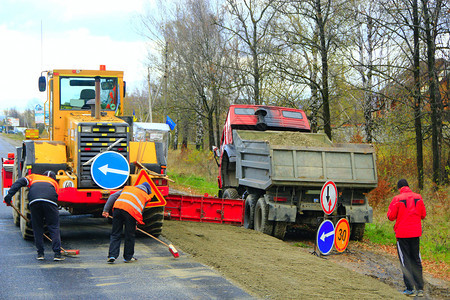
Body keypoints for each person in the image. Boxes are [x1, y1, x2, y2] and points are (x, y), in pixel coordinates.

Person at [3, 170, 64, 261]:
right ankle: (57, 254)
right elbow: (54, 199)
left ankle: (40, 254)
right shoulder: (55, 183)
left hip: (34, 201)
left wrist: (9, 195)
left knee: (37, 228)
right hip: (50, 202)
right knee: (53, 227)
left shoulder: (34, 177)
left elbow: (19, 182)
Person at [387, 179, 426, 297]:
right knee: (416, 259)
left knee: (405, 261)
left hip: (402, 235)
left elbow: (391, 216)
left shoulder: (397, 199)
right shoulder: (418, 197)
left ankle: (410, 289)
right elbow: (423, 215)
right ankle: (420, 288)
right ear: (408, 186)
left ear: (399, 188)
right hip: (415, 234)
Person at [102, 182, 152, 263]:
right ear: (147, 191)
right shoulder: (145, 196)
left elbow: (112, 196)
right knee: (130, 234)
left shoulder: (128, 188)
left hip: (118, 208)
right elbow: (139, 211)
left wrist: (105, 210)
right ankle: (128, 257)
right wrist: (135, 224)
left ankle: (112, 256)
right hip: (130, 213)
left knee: (115, 233)